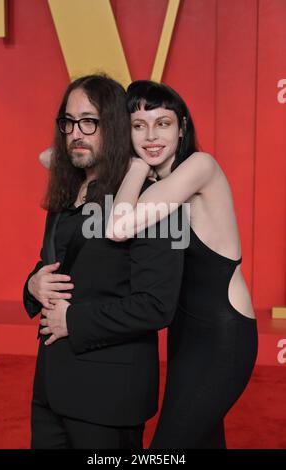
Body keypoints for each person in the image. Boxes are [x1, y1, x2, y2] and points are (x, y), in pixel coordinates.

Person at [23, 75, 185, 449]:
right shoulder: (67, 191)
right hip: (49, 389)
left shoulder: (155, 200)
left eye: (89, 122)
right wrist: (32, 285)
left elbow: (157, 305)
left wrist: (73, 320)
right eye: (68, 122)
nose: (75, 133)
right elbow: (54, 265)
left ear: (112, 126)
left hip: (108, 397)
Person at [105, 80, 258, 449]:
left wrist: (136, 166)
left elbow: (117, 226)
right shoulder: (160, 181)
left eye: (163, 123)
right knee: (203, 442)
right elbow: (51, 157)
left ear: (183, 127)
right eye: (138, 125)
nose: (151, 135)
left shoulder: (200, 168)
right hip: (183, 334)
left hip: (224, 334)